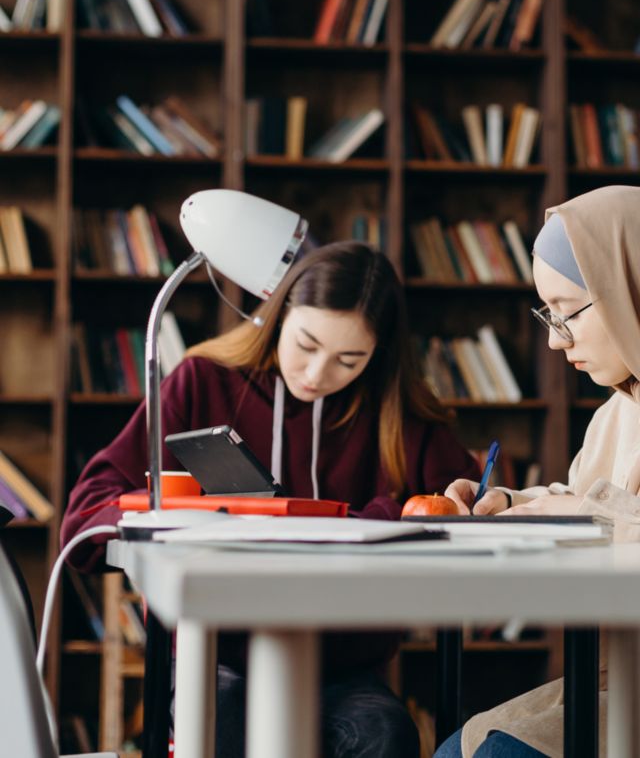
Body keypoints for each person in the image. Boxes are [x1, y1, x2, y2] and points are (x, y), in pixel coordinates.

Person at [61, 240, 481, 758]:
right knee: (230, 731)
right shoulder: (201, 382)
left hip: (340, 665)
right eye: (305, 344)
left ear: (379, 356)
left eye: (349, 360)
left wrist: (460, 502)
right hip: (215, 657)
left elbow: (472, 505)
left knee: (386, 735)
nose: (316, 374)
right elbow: (85, 516)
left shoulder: (393, 414)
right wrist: (193, 513)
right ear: (277, 316)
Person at [434, 184, 640, 758]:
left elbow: (594, 508)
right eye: (547, 314)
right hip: (613, 677)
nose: (554, 339)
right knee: (457, 749)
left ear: (630, 291)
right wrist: (510, 502)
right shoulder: (617, 411)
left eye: (569, 312)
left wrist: (587, 515)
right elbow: (583, 496)